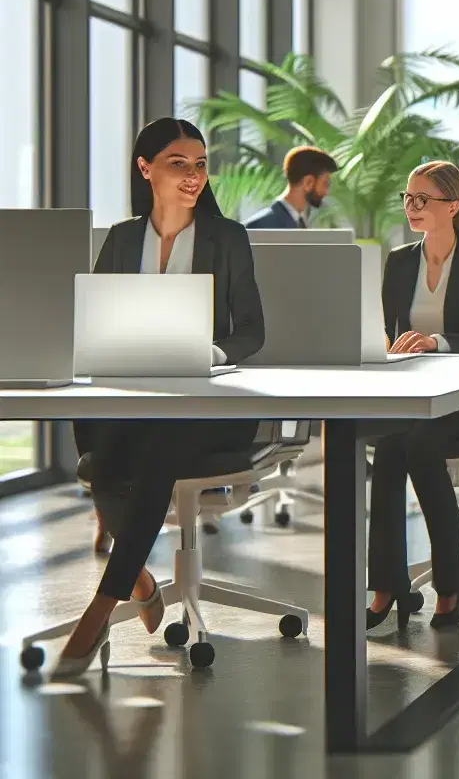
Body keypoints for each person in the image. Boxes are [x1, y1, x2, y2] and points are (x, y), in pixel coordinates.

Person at [55, 119, 267, 678]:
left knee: (156, 448)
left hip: (208, 406)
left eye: (200, 164)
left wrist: (212, 353)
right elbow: (94, 318)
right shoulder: (124, 238)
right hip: (138, 396)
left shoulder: (228, 238)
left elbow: (252, 331)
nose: (194, 175)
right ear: (145, 168)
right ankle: (140, 580)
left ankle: (101, 606)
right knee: (97, 449)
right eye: (179, 162)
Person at [364, 162, 459, 631]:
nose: (412, 207)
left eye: (422, 199)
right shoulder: (400, 261)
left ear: (453, 206)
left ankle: (449, 586)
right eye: (407, 198)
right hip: (413, 391)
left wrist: (436, 341)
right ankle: (386, 584)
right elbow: (388, 330)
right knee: (389, 448)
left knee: (421, 446)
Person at [245, 145, 337, 228]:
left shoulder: (302, 222)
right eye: (325, 184)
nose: (326, 192)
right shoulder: (262, 225)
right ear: (308, 182)